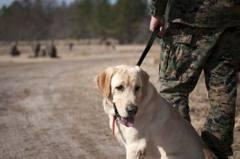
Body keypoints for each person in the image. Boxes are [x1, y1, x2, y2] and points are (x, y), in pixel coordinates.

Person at [149, 0, 240, 158]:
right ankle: (215, 154)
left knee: (173, 91)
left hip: (188, 19)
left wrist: (157, 12)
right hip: (230, 20)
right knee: (223, 95)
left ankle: (179, 154)